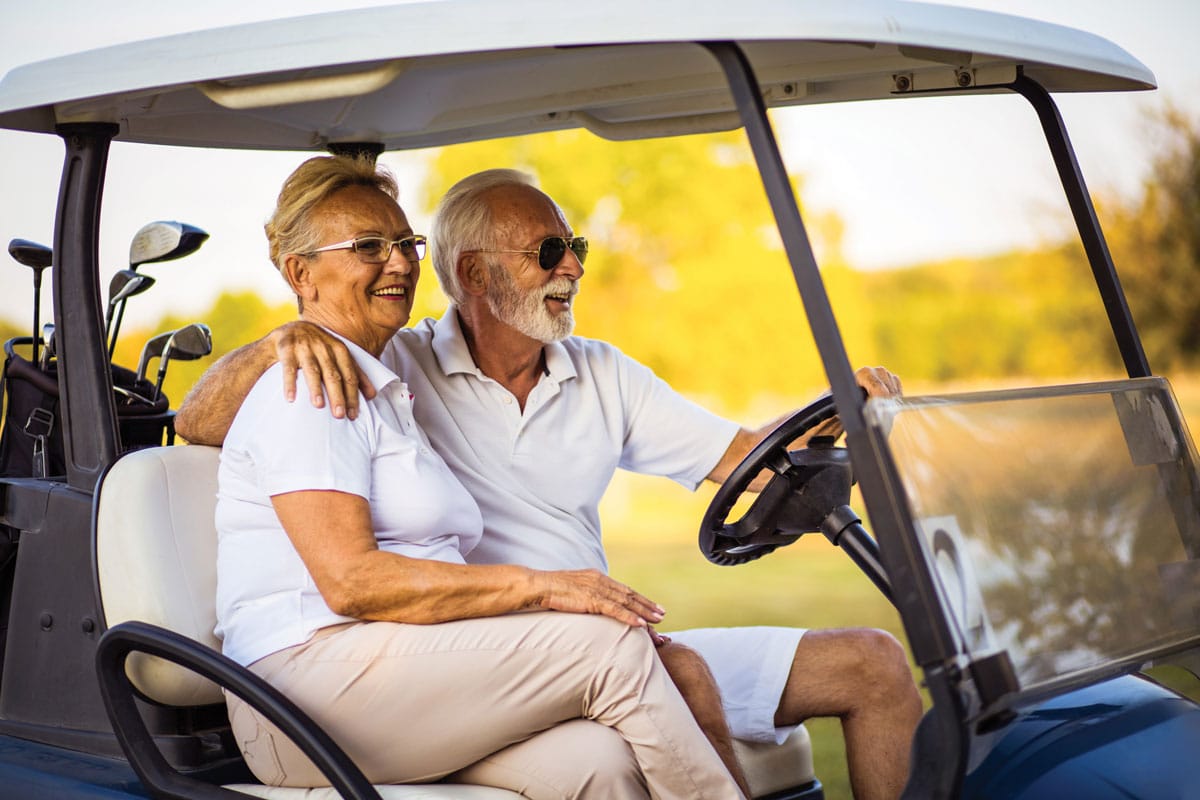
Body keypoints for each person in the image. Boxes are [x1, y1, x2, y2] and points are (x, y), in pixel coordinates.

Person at [180, 166, 923, 800]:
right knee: (640, 658)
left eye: (404, 244)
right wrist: (285, 339)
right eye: (548, 251)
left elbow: (752, 461)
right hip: (434, 659)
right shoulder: (368, 370)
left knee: (616, 755)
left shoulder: (413, 384)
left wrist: (837, 416)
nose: (572, 267)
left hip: (496, 655)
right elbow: (202, 420)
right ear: (472, 273)